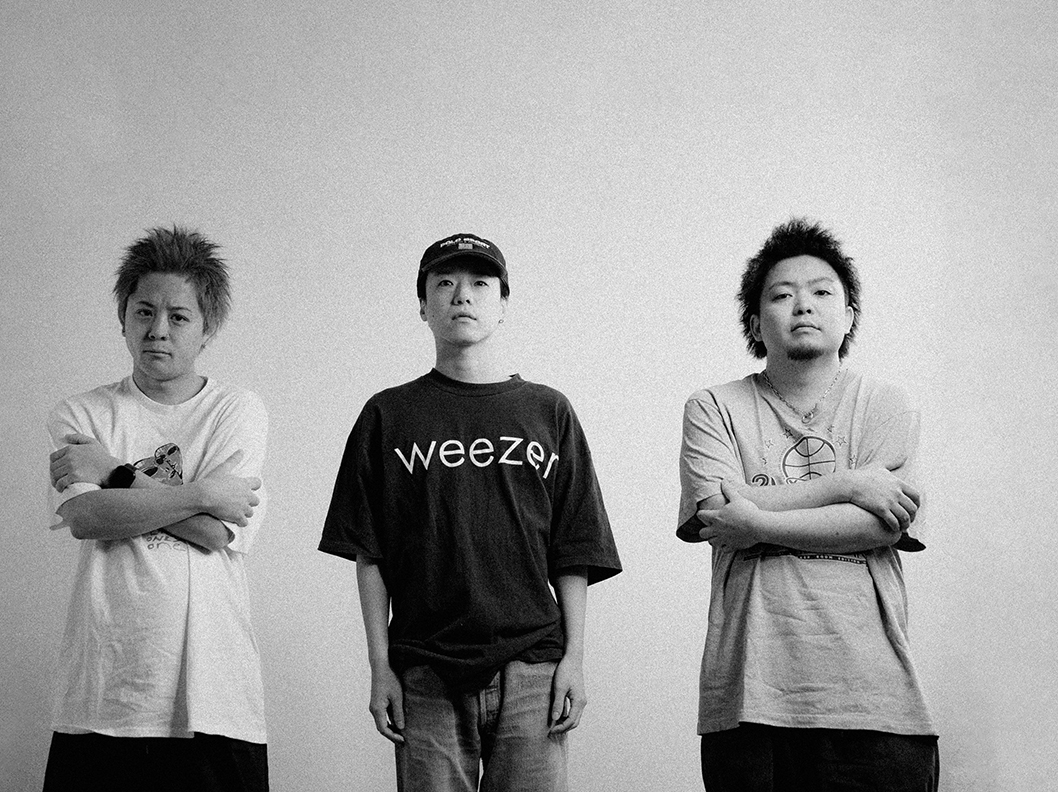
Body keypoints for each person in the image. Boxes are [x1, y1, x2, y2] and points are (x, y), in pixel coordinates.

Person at [320, 233, 622, 791]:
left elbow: (574, 550)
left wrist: (575, 660)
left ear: (503, 304)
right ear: (423, 306)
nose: (462, 295)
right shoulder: (387, 415)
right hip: (425, 668)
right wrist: (380, 667)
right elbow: (369, 555)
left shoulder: (549, 411)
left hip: (535, 665)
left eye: (480, 283)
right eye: (445, 283)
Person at [677, 218, 939, 791]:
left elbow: (880, 526)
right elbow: (716, 510)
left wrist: (756, 520)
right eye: (781, 295)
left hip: (875, 703)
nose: (803, 305)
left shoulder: (887, 405)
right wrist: (847, 484)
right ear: (755, 323)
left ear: (848, 316)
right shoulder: (713, 407)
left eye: (822, 292)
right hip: (748, 703)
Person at [42, 226, 270, 792]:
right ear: (123, 317)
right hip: (104, 695)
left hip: (214, 697)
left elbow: (217, 535)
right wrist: (202, 494)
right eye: (144, 311)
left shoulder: (236, 410)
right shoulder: (82, 414)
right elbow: (86, 519)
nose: (158, 330)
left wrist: (112, 472)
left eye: (179, 316)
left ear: (207, 328)